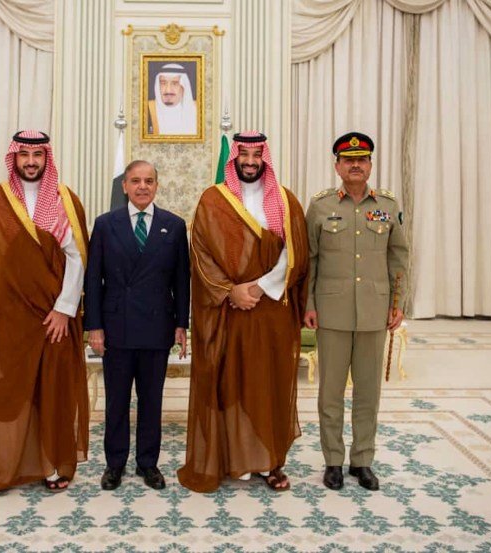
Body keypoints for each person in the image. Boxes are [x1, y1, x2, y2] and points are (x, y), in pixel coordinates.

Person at [178, 131, 309, 493]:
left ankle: (269, 461)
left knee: (268, 383)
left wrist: (260, 287)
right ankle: (232, 459)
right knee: (229, 383)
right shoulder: (213, 199)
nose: (250, 161)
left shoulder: (285, 201)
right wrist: (230, 291)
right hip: (228, 311)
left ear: (265, 158)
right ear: (233, 158)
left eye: (257, 155)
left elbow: (295, 253)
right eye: (244, 155)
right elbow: (201, 252)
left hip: (270, 310)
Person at [0, 130, 89, 495]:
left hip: (53, 321)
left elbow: (78, 258)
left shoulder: (66, 201)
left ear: (47, 159)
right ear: (14, 158)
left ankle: (51, 464)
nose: (31, 162)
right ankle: (5, 464)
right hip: (7, 320)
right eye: (24, 155)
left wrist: (65, 309)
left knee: (53, 392)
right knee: (6, 393)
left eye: (38, 156)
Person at [303, 132, 409, 491]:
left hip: (375, 311)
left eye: (362, 159)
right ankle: (333, 460)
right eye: (348, 160)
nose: (355, 165)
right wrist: (309, 304)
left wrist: (398, 304)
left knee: (368, 392)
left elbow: (399, 258)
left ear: (370, 165)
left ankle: (362, 460)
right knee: (330, 392)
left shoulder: (389, 205)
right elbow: (310, 261)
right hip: (331, 312)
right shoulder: (319, 206)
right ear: (337, 166)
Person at [84, 160, 190, 491]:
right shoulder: (105, 224)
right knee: (116, 401)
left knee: (150, 400)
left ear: (157, 186)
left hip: (157, 328)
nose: (142, 186)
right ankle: (114, 464)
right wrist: (95, 326)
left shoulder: (174, 226)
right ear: (124, 186)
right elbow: (94, 278)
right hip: (116, 328)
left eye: (149, 181)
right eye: (135, 181)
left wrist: (181, 325)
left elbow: (181, 281)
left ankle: (148, 463)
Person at [147, 63, 197, 135]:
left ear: (184, 86)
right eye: (163, 83)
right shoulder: (147, 110)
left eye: (175, 83)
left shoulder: (199, 110)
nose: (168, 90)